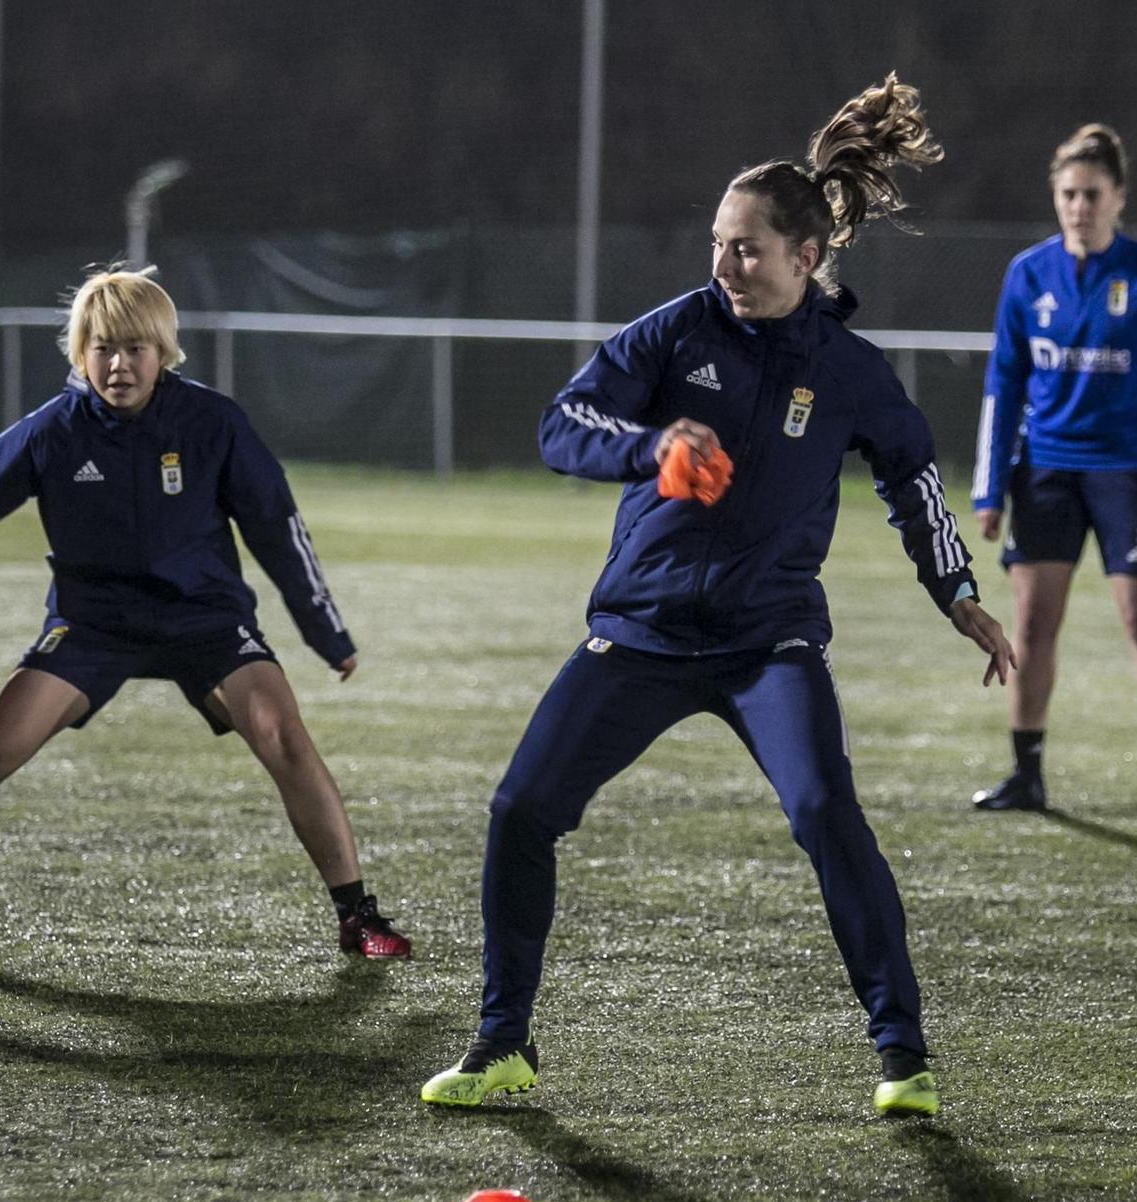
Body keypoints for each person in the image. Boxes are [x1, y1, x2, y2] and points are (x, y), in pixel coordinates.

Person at [419, 74, 1015, 1119]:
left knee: (826, 811)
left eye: (744, 246)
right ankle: (499, 1044)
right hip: (639, 634)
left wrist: (954, 590)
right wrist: (652, 447)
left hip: (764, 642)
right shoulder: (675, 332)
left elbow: (911, 476)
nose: (723, 264)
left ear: (806, 255)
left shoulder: (847, 371)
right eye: (716, 243)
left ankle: (902, 1056)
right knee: (520, 808)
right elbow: (562, 423)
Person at [0, 267, 411, 960]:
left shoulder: (212, 422)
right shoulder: (52, 431)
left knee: (283, 735)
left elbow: (276, 525)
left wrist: (323, 630)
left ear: (164, 352)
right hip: (92, 625)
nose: (118, 364)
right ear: (79, 352)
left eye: (134, 348)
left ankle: (356, 914)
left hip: (204, 620)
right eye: (102, 347)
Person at [969, 124, 1137, 819]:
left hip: (1128, 471)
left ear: (1118, 197)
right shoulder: (1027, 274)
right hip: (1043, 471)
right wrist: (989, 487)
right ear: (1056, 196)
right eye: (1068, 193)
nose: (1079, 206)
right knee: (1034, 624)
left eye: (1092, 194)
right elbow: (1003, 386)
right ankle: (1026, 774)